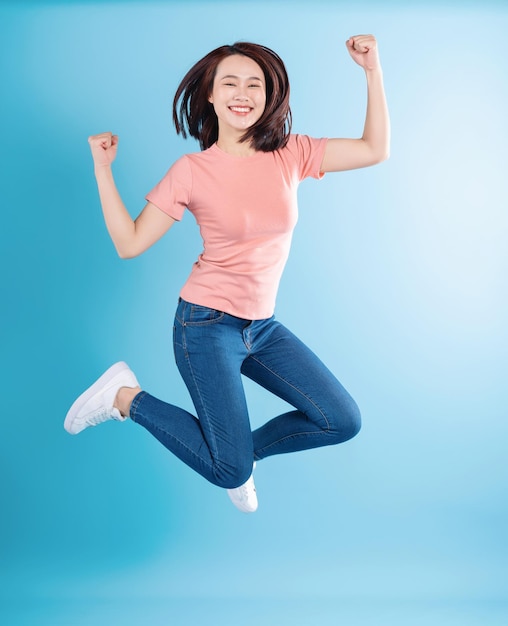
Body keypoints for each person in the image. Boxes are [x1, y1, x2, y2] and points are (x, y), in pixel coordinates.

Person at [64, 35, 390, 513]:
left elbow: (373, 149)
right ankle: (125, 396)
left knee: (340, 419)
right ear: (212, 95)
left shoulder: (291, 154)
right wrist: (102, 169)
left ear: (269, 95)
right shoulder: (193, 170)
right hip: (205, 327)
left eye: (254, 83)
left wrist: (372, 71)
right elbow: (129, 242)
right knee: (228, 471)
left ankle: (236, 457)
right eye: (230, 82)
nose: (243, 93)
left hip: (263, 327)